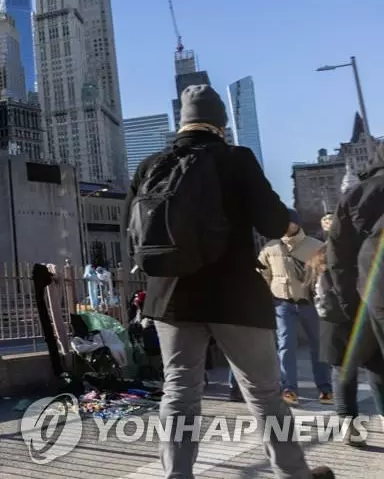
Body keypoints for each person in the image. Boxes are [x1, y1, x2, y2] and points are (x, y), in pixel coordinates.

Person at [126, 85, 333, 479]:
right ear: (220, 125)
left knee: (180, 393)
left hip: (171, 297)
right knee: (264, 393)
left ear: (182, 122)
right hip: (233, 295)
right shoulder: (235, 158)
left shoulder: (151, 164)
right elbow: (272, 221)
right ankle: (292, 473)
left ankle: (177, 475)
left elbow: (131, 233)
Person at [326, 141, 384, 427]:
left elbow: (337, 256)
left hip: (370, 295)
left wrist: (349, 301)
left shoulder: (353, 196)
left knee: (375, 363)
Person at [308, 243, 384, 446]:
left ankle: (350, 430)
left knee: (343, 375)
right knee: (377, 371)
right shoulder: (364, 251)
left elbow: (311, 292)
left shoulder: (321, 255)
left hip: (334, 323)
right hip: (366, 319)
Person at [257, 208, 333, 405]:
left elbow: (327, 276)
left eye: (288, 221)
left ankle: (325, 388)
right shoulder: (270, 248)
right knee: (286, 346)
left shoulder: (317, 246)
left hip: (310, 304)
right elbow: (263, 277)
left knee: (319, 346)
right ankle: (289, 389)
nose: (285, 225)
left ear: (297, 223)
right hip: (282, 305)